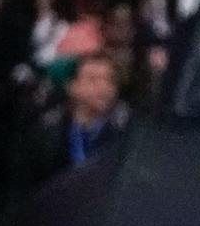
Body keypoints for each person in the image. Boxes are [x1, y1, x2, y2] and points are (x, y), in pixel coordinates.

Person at [20, 50, 131, 189]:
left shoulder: (123, 134)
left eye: (110, 80)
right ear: (72, 86)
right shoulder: (47, 133)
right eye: (93, 79)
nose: (104, 88)